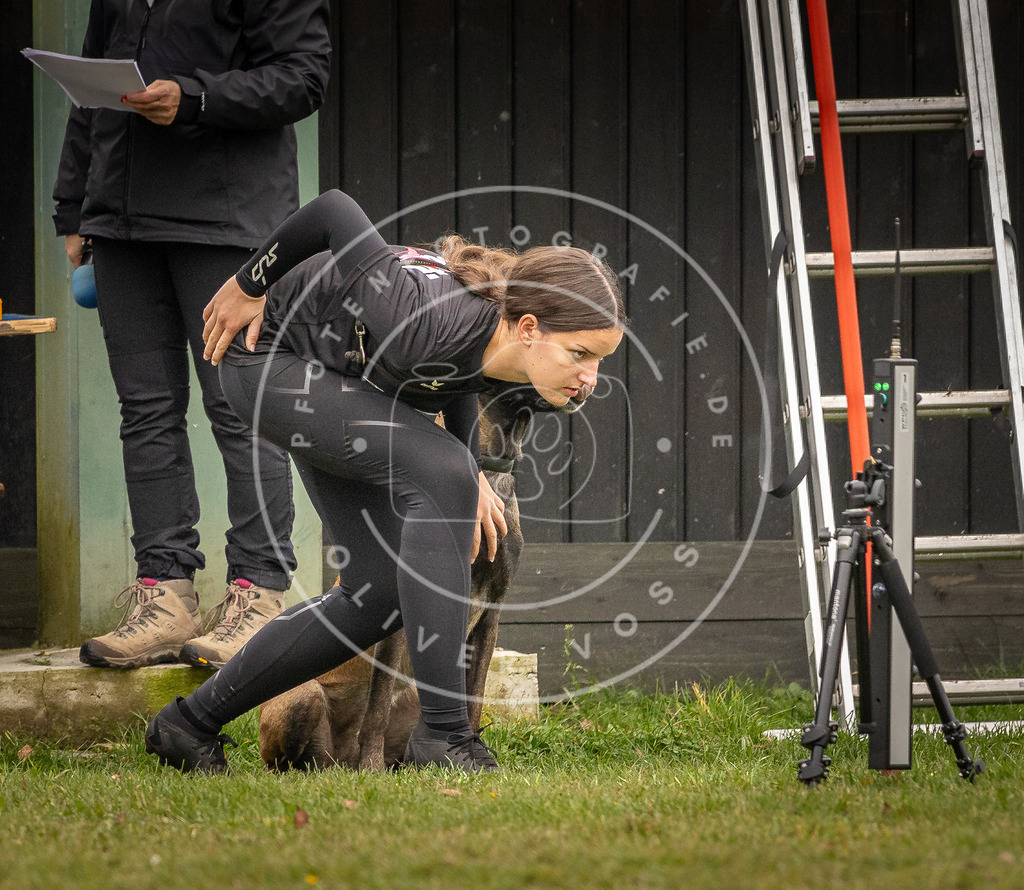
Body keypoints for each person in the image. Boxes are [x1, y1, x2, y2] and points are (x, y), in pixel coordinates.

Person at [144, 188, 626, 773]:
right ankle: (445, 739)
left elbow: (451, 388)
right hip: (266, 360)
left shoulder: (488, 341)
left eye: (600, 360)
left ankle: (187, 725)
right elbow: (334, 211)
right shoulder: (422, 317)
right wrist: (249, 283)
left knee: (378, 594)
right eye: (580, 354)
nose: (590, 378)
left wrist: (466, 470)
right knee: (444, 473)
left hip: (326, 377)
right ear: (528, 327)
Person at [51, 0, 332, 670]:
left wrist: (196, 100)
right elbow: (89, 88)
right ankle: (165, 597)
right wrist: (72, 204)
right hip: (119, 223)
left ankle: (258, 595)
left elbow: (303, 77)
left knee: (242, 410)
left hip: (227, 224)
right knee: (146, 412)